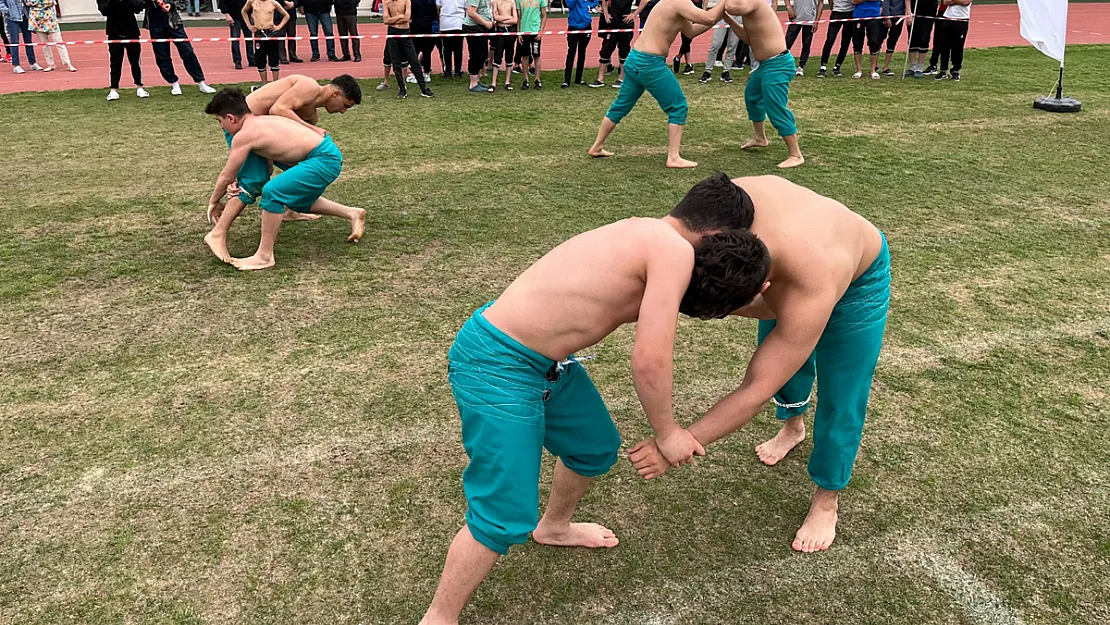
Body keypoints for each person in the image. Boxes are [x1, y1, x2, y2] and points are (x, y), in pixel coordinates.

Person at [418, 172, 771, 625]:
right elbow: (649, 359)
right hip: (498, 363)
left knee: (593, 447)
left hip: (539, 363)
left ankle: (555, 527)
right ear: (717, 236)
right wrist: (668, 432)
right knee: (503, 513)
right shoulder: (673, 251)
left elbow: (699, 302)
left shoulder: (648, 232)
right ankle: (439, 617)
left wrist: (748, 294)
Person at [628, 175, 890, 555]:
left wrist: (683, 440)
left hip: (855, 279)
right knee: (782, 358)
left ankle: (826, 499)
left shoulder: (809, 280)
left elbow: (756, 388)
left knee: (842, 388)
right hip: (790, 253)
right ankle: (792, 425)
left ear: (761, 287)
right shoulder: (716, 210)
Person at [204, 88, 366, 271]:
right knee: (295, 198)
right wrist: (237, 182)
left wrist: (213, 201)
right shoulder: (262, 122)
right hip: (326, 156)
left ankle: (264, 257)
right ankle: (353, 213)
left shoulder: (245, 135)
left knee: (273, 192)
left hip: (323, 159)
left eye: (220, 121)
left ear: (231, 118)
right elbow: (265, 168)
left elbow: (226, 175)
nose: (222, 127)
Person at [588, 0, 727, 169]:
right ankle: (673, 157)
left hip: (635, 59)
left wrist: (720, 13)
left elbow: (691, 32)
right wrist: (724, 3)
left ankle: (597, 146)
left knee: (620, 106)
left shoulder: (671, 3)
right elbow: (708, 18)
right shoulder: (680, 2)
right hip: (650, 63)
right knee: (678, 106)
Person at [721, 0, 805, 169]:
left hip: (778, 65)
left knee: (775, 107)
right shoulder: (748, 12)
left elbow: (732, 6)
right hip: (766, 65)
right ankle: (760, 138)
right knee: (752, 97)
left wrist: (720, 7)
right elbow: (748, 38)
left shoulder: (753, 2)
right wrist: (728, 19)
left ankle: (796, 155)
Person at [145, 0, 219, 93]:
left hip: (174, 22)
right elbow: (138, 5)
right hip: (155, 24)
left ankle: (201, 82)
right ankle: (174, 83)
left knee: (188, 52)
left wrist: (171, 5)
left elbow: (184, 1)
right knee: (162, 56)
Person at [384, 0, 436, 97]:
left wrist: (394, 19)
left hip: (405, 32)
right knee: (396, 63)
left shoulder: (406, 1)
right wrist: (399, 16)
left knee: (414, 61)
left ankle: (424, 88)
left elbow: (407, 18)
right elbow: (386, 20)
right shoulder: (386, 2)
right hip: (392, 33)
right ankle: (402, 89)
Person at [98, 0, 147, 100]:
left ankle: (139, 86)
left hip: (131, 32)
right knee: (115, 63)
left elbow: (139, 7)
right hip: (114, 33)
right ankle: (113, 89)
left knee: (135, 62)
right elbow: (104, 10)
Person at [244, 0, 291, 84]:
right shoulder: (252, 1)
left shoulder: (273, 3)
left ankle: (276, 83)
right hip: (259, 33)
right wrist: (249, 25)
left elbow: (286, 15)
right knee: (260, 59)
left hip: (271, 33)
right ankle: (264, 83)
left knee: (274, 58)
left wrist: (279, 26)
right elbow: (243, 11)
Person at [590, 0, 633, 88]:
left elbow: (645, 1)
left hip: (625, 24)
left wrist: (634, 14)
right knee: (605, 50)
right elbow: (604, 1)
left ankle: (621, 78)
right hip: (612, 24)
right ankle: (600, 79)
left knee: (624, 51)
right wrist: (606, 14)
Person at [27, 0, 76, 72]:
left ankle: (68, 63)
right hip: (37, 19)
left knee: (59, 42)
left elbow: (51, 2)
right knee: (44, 43)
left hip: (50, 19)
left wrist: (38, 3)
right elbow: (29, 3)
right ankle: (50, 64)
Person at [697, 0, 739, 84]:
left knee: (732, 45)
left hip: (738, 14)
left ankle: (726, 71)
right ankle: (707, 71)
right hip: (723, 12)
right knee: (715, 44)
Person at [562, 0, 596, 87]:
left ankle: (578, 78)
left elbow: (595, 1)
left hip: (586, 25)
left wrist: (589, 6)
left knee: (582, 52)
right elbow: (569, 4)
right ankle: (567, 80)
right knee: (571, 52)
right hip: (573, 25)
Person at [933, 0, 970, 81]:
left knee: (958, 47)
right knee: (944, 46)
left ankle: (955, 70)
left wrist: (954, 1)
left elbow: (966, 2)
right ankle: (943, 70)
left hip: (962, 19)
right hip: (948, 18)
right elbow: (945, 2)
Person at [2, 0, 43, 73]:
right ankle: (16, 65)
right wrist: (7, 11)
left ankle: (32, 63)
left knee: (28, 40)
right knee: (14, 41)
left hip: (24, 15)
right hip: (12, 17)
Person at [462, 0, 493, 92]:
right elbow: (471, 13)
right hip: (473, 28)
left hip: (480, 28)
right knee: (476, 55)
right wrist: (486, 23)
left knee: (482, 54)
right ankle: (473, 83)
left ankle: (477, 80)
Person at [515, 0, 547, 90]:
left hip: (535, 32)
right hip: (524, 31)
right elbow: (518, 17)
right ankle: (526, 80)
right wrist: (518, 33)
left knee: (536, 55)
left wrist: (540, 32)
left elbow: (544, 16)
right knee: (525, 56)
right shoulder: (519, 1)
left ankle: (537, 79)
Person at [783, 0, 821, 76]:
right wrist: (789, 7)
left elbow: (821, 4)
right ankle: (782, 65)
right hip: (796, 17)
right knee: (787, 43)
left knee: (806, 44)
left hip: (810, 19)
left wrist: (816, 21)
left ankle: (801, 66)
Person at [816, 0, 853, 77]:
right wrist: (834, 8)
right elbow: (830, 1)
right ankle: (823, 66)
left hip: (850, 13)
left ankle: (837, 67)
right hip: (836, 13)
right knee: (830, 39)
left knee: (845, 42)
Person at [849, 0, 883, 79]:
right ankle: (858, 70)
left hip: (874, 15)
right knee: (857, 42)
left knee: (874, 42)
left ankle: (872, 70)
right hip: (858, 15)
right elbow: (853, 1)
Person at [219, 0, 255, 69]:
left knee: (249, 39)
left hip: (246, 17)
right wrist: (227, 15)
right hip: (234, 17)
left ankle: (251, 60)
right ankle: (237, 61)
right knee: (235, 40)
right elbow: (222, 3)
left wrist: (252, 13)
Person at [877, 0, 910, 75]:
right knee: (879, 39)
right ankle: (874, 65)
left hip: (899, 17)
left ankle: (886, 67)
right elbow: (886, 2)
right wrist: (886, 17)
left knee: (893, 41)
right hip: (887, 16)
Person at [905, 0, 936, 77]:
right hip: (914, 11)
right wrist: (908, 12)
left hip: (929, 11)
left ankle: (920, 68)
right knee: (912, 37)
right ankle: (912, 67)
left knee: (924, 38)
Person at [490, 0, 517, 90]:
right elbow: (495, 17)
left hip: (511, 30)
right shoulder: (496, 2)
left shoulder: (512, 2)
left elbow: (515, 19)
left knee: (509, 55)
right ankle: (493, 83)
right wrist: (508, 17)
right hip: (500, 31)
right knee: (497, 56)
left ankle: (507, 82)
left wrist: (501, 18)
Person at [437, 0, 467, 77]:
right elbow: (466, 8)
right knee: (458, 49)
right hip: (458, 22)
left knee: (446, 49)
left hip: (445, 23)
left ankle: (447, 71)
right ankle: (458, 71)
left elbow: (438, 8)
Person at [411, 0, 439, 77]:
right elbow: (434, 13)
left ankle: (416, 73)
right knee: (426, 51)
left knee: (416, 50)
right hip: (428, 25)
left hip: (416, 25)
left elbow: (411, 13)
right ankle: (426, 72)